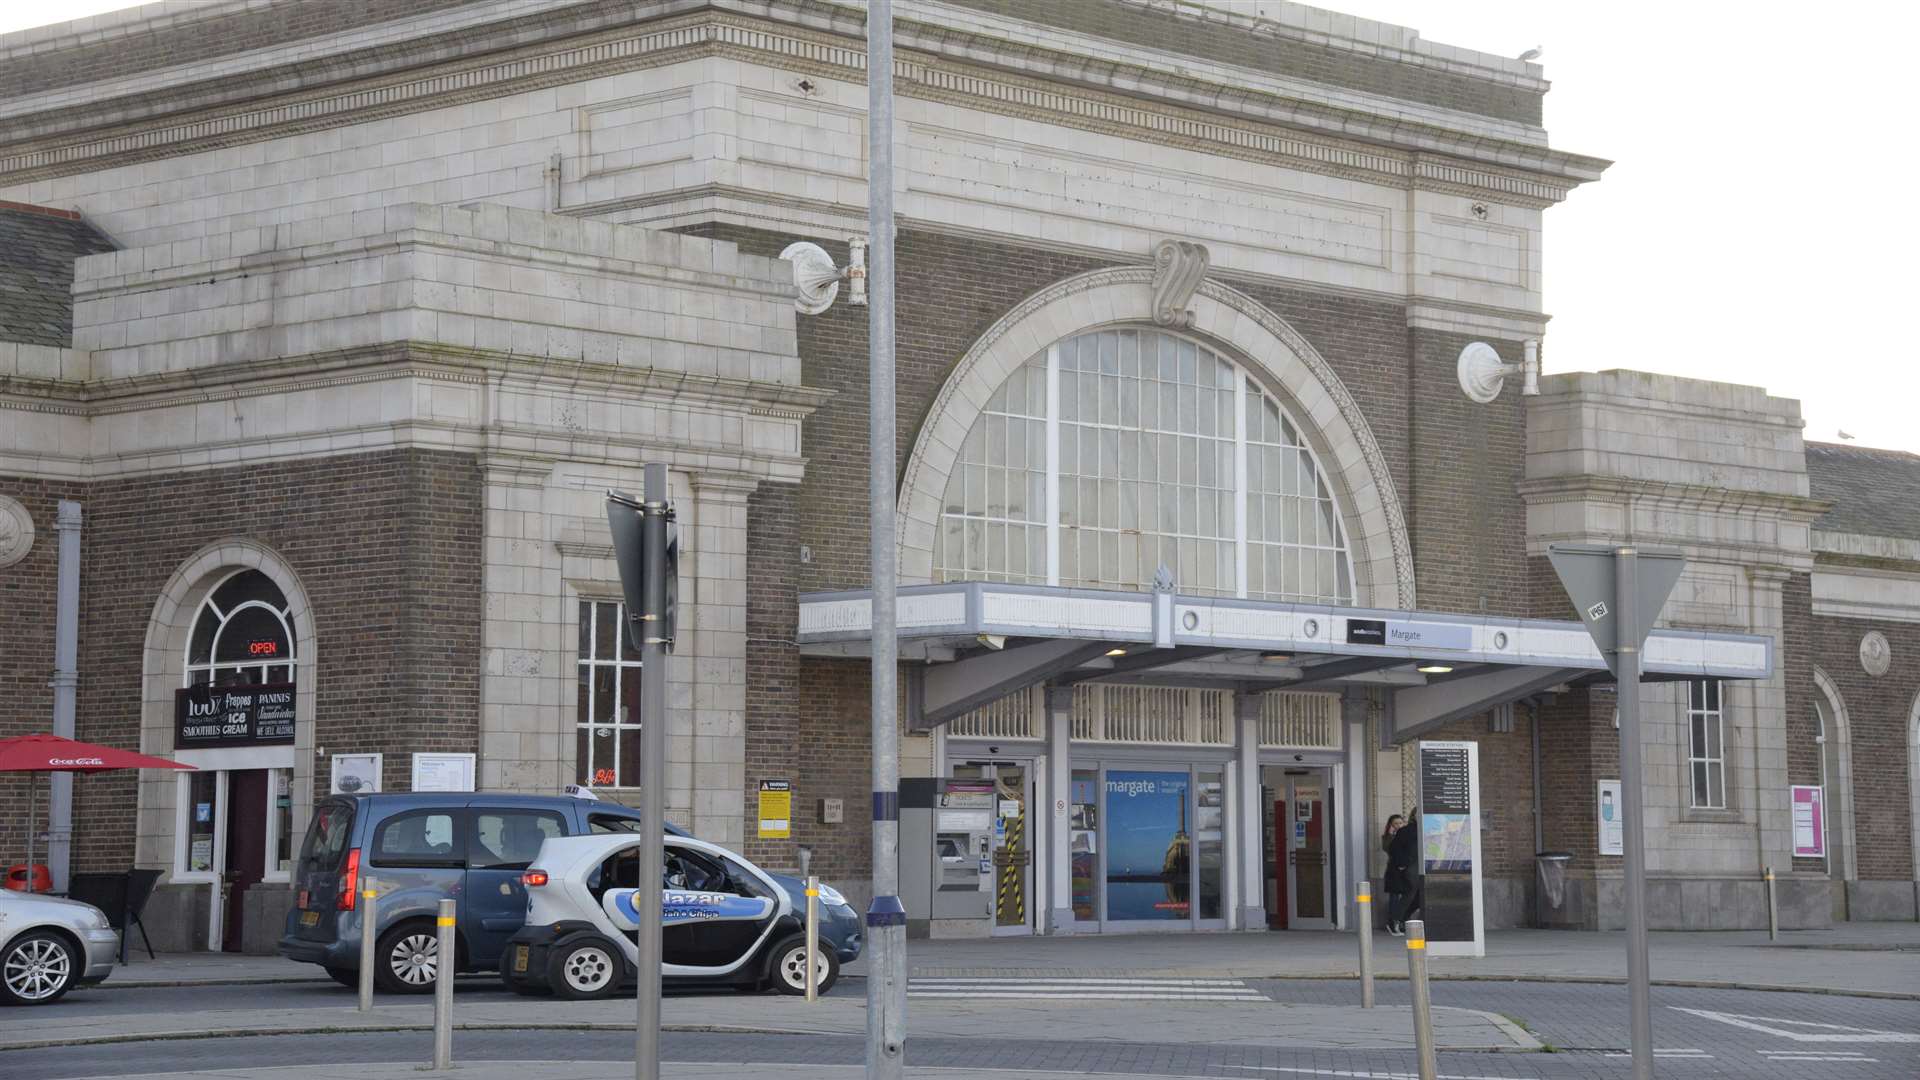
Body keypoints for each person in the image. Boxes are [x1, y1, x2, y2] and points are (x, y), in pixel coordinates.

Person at [1383, 812, 1421, 936]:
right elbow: (1393, 848)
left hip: (1419, 867)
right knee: (1408, 894)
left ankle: (1402, 919)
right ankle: (1394, 921)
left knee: (1418, 896)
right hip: (1409, 868)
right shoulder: (1407, 831)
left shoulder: (1428, 829)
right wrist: (1404, 863)